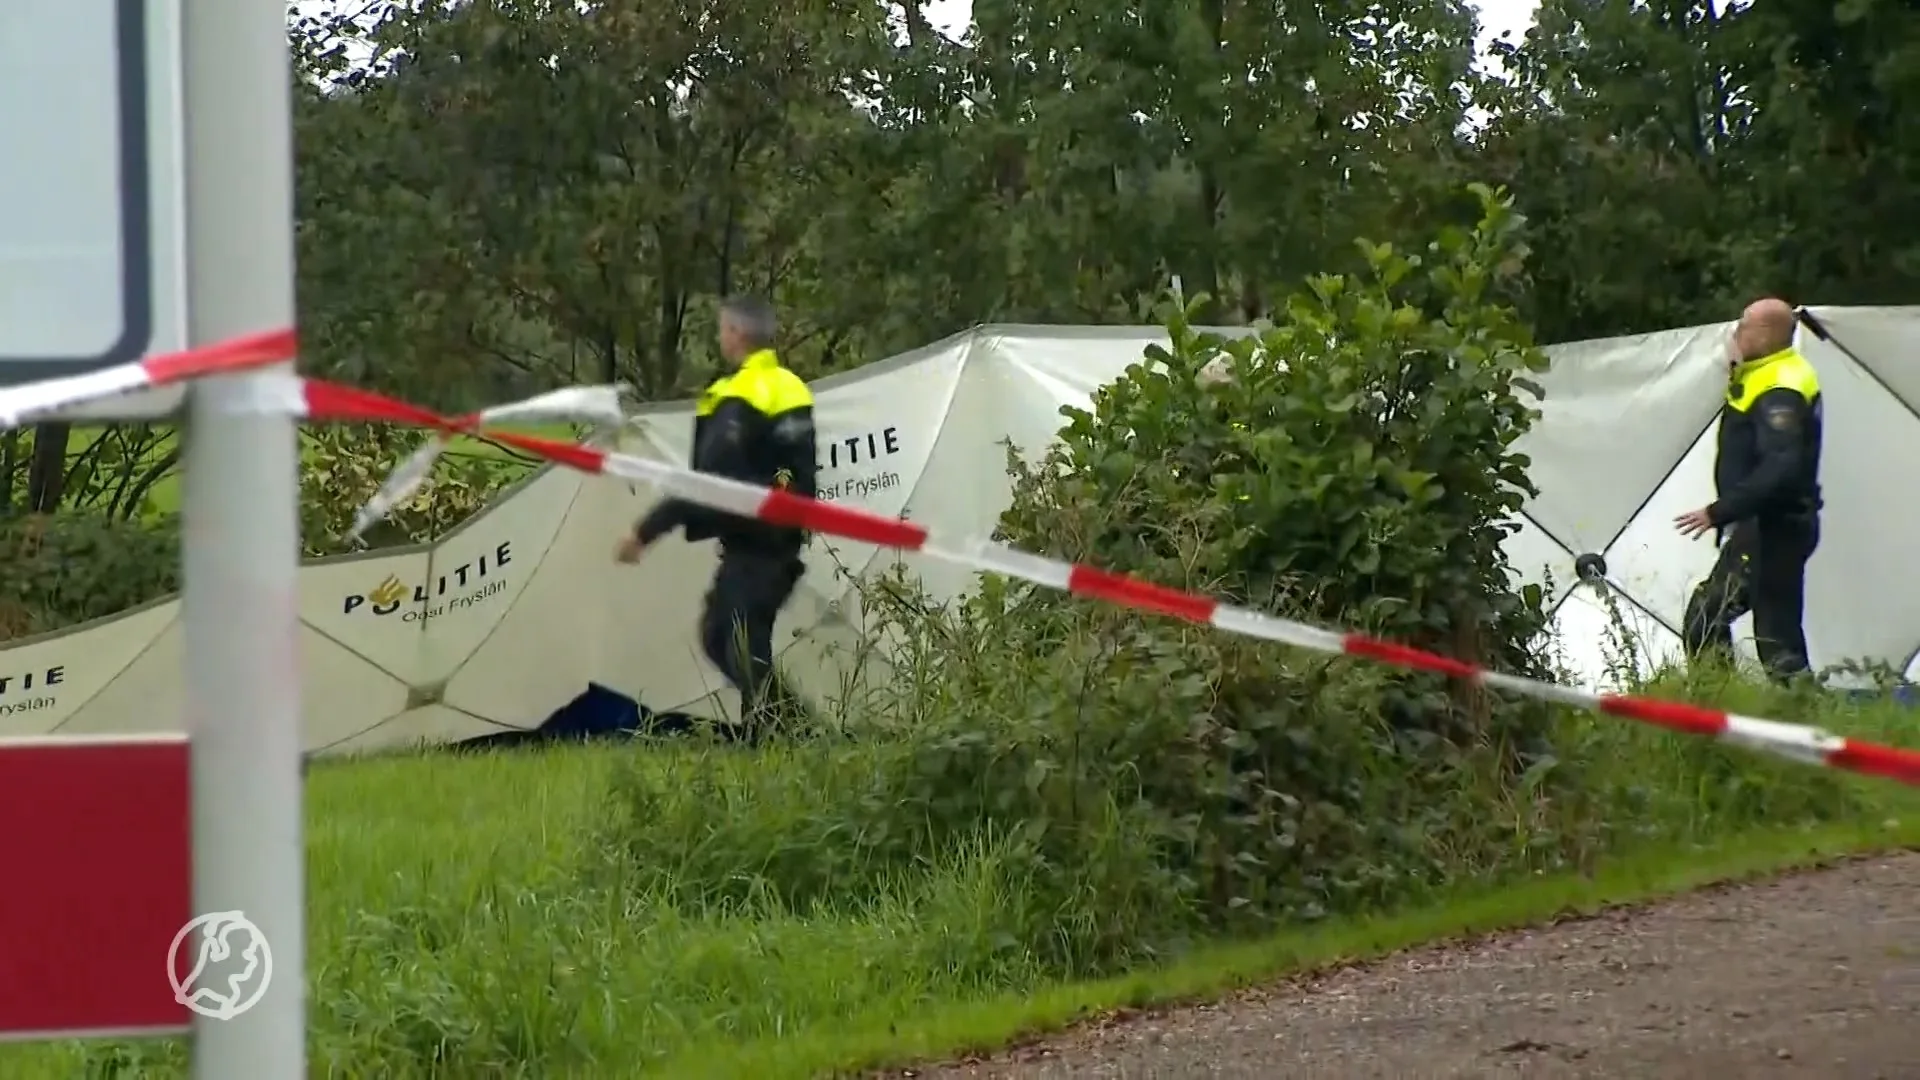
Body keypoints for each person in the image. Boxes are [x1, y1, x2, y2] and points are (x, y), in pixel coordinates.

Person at [615, 295, 818, 739]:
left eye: (723, 329)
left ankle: (790, 734)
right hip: (775, 541)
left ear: (736, 334)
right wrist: (778, 498)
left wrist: (646, 530)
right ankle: (779, 732)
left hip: (757, 546)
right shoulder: (790, 388)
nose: (721, 336)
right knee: (730, 638)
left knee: (734, 640)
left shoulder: (735, 396)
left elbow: (709, 482)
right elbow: (793, 471)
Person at [1672, 297, 1823, 679]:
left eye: (1744, 325)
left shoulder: (1781, 386)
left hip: (1774, 526)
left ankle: (1723, 707)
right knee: (1772, 633)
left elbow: (1781, 464)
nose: (1736, 332)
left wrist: (1719, 511)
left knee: (1715, 620)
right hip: (1768, 526)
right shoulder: (1762, 372)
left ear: (1767, 334)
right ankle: (1748, 709)